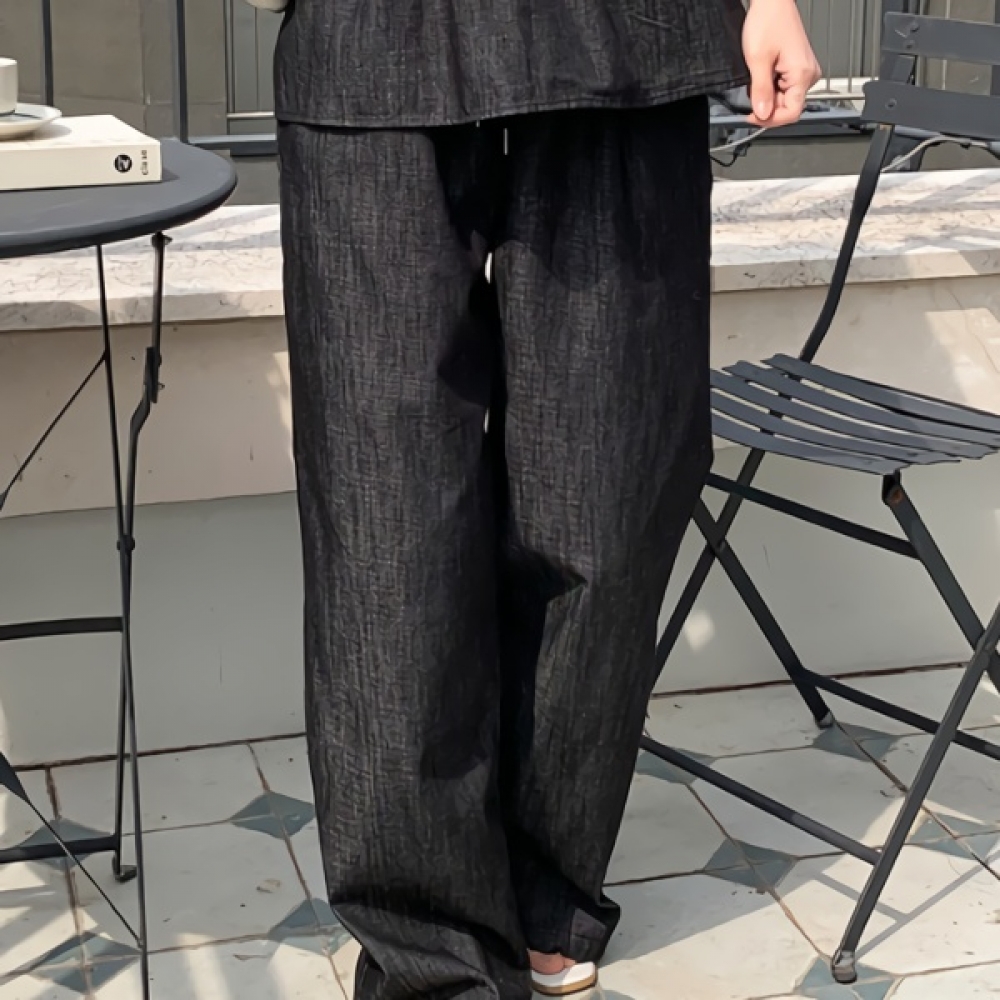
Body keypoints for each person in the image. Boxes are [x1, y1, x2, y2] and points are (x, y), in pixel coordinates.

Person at [264, 0, 820, 996]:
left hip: (624, 37)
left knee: (607, 491)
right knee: (386, 514)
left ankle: (546, 889)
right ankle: (428, 945)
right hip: (372, 36)